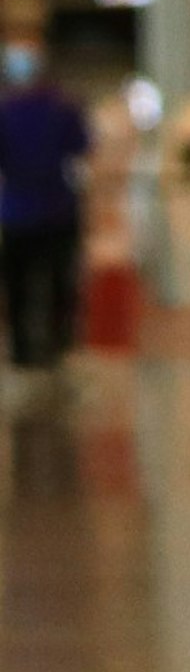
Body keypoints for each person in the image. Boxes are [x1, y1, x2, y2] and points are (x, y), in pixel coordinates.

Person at [0, 24, 90, 401]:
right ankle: (56, 348)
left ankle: (23, 352)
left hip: (18, 212)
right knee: (57, 282)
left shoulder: (5, 111)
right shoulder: (64, 108)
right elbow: (82, 150)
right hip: (57, 209)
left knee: (20, 285)